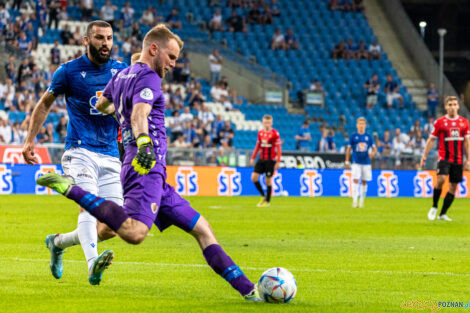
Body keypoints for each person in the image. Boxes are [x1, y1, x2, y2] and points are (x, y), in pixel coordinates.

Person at [37, 24, 262, 302]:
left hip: (148, 171)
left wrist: (118, 106)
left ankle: (250, 291)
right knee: (134, 233)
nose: (173, 64)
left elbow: (104, 105)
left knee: (201, 229)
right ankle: (72, 190)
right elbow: (140, 114)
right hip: (146, 165)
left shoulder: (121, 75)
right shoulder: (149, 77)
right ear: (154, 49)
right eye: (171, 56)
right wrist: (143, 141)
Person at [22, 20, 127, 285]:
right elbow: (44, 104)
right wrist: (29, 140)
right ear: (86, 40)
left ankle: (57, 243)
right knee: (88, 206)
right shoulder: (68, 71)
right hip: (79, 150)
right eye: (100, 38)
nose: (106, 43)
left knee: (113, 225)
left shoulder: (121, 71)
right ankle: (93, 265)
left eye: (110, 38)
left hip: (111, 154)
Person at [420, 96, 470, 222]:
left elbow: (466, 142)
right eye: (450, 104)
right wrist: (424, 156)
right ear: (446, 107)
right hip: (444, 157)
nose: (452, 107)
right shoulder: (440, 122)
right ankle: (434, 206)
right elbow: (431, 140)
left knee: (453, 187)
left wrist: (468, 159)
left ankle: (443, 214)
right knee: (441, 179)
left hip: (458, 159)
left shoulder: (464, 122)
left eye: (454, 104)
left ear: (458, 106)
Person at [250, 115, 282, 207]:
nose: (267, 124)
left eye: (268, 123)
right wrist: (253, 157)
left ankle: (267, 202)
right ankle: (262, 196)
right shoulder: (260, 133)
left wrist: (278, 161)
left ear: (271, 123)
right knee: (254, 177)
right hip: (261, 159)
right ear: (262, 123)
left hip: (270, 160)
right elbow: (258, 146)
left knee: (268, 181)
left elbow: (279, 148)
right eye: (265, 122)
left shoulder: (275, 133)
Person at [345, 117, 377, 208]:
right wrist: (347, 161)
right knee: (355, 179)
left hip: (366, 162)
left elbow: (374, 149)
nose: (361, 125)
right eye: (359, 123)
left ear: (365, 125)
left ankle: (361, 202)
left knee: (364, 182)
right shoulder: (353, 136)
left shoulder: (368, 137)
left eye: (363, 124)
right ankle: (355, 201)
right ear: (357, 125)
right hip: (356, 162)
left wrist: (373, 153)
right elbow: (348, 149)